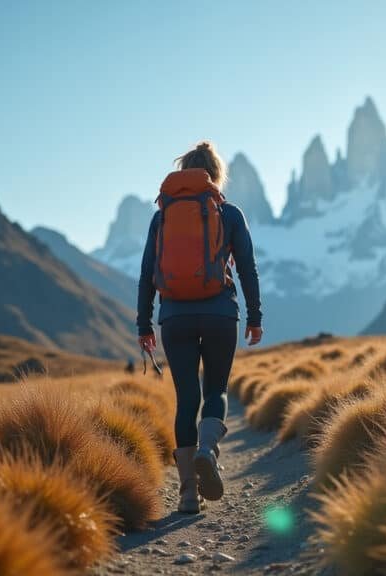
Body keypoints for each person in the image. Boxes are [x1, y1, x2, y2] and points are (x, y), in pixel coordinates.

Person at [137, 141, 263, 515]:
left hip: (174, 317)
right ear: (215, 175)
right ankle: (208, 451)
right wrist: (255, 317)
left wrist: (144, 323)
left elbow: (147, 274)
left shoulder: (162, 216)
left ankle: (188, 495)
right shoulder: (229, 212)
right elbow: (247, 268)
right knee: (216, 391)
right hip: (220, 314)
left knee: (186, 399)